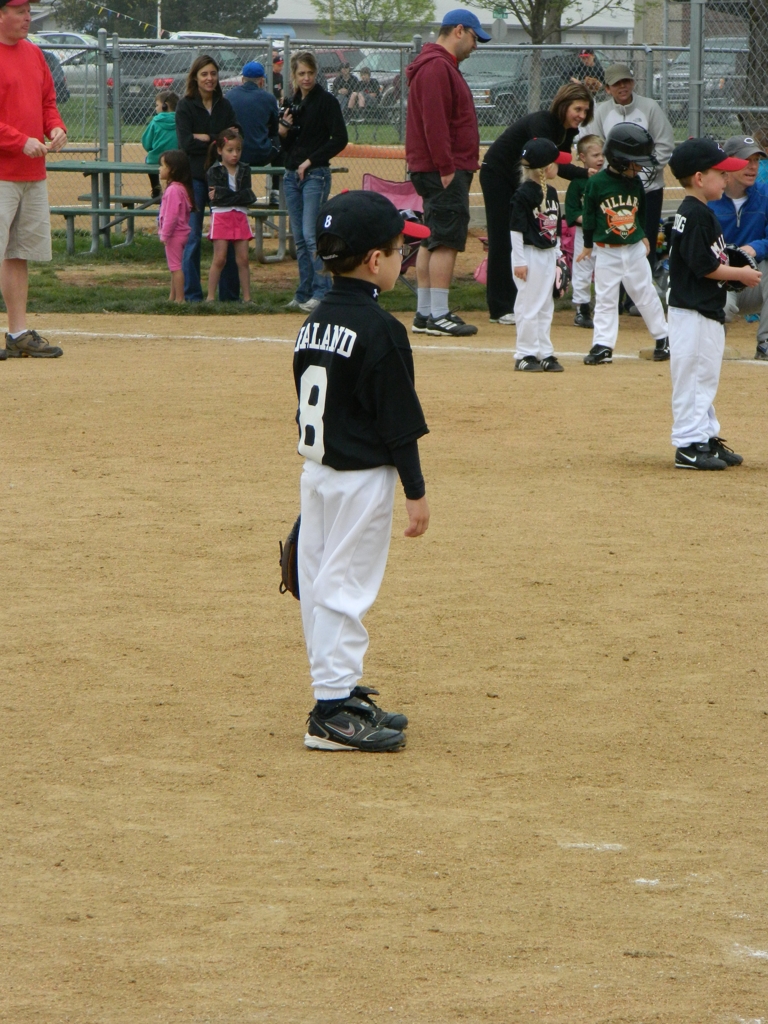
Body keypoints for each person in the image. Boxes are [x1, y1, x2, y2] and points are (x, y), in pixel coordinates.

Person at [293, 189, 431, 751]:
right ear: (375, 260)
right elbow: (399, 423)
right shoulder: (381, 328)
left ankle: (340, 690)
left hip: (319, 473)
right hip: (361, 481)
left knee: (319, 583)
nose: (404, 260)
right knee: (345, 589)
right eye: (400, 251)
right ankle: (331, 713)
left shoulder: (314, 320)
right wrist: (415, 491)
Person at [667, 138, 759, 469]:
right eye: (720, 173)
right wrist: (740, 274)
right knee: (693, 379)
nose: (726, 178)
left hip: (703, 309)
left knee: (703, 378)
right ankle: (687, 445)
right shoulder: (695, 215)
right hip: (692, 312)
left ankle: (704, 437)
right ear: (699, 178)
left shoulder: (698, 212)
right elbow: (704, 266)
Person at [406, 9, 490, 338]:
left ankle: (426, 312)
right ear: (459, 31)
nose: (475, 46)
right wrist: (446, 166)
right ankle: (439, 314)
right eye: (474, 38)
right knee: (445, 240)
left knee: (433, 237)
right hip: (443, 168)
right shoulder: (437, 67)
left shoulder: (438, 65)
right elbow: (435, 121)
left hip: (437, 167)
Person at [479, 82, 592, 326]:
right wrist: (585, 173)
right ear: (564, 105)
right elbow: (547, 161)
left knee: (526, 236)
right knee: (503, 237)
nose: (582, 115)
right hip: (498, 174)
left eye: (585, 111)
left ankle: (523, 300)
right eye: (578, 109)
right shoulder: (543, 122)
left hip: (523, 181)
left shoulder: (567, 131)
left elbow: (556, 167)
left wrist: (585, 173)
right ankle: (500, 307)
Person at [0, 0, 66, 359]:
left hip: (32, 173)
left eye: (28, 10)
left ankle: (18, 333)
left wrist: (55, 127)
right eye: (19, 10)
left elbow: (47, 103)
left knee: (18, 254)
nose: (28, 17)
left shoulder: (34, 54)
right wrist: (19, 141)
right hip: (2, 173)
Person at [577, 123, 669, 364]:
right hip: (607, 252)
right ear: (618, 160)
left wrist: (644, 234)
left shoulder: (635, 182)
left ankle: (663, 338)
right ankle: (603, 345)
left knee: (645, 294)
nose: (640, 168)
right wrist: (587, 244)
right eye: (635, 163)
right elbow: (588, 216)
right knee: (605, 299)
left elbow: (642, 210)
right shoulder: (597, 183)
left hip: (634, 249)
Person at [583, 62, 673, 280]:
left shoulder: (650, 107)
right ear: (607, 89)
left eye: (626, 81)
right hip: (613, 190)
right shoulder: (601, 112)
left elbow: (665, 144)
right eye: (616, 84)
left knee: (645, 238)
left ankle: (642, 287)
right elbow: (595, 146)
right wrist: (612, 175)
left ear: (633, 83)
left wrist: (642, 172)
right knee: (617, 237)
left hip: (648, 188)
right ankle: (619, 289)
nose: (622, 86)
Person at [278, 50, 348, 313]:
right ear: (294, 76)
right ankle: (304, 292)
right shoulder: (292, 102)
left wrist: (311, 160)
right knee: (298, 238)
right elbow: (286, 146)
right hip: (291, 174)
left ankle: (323, 291)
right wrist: (282, 131)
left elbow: (339, 138)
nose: (306, 78)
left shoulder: (326, 102)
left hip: (315, 174)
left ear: (316, 73)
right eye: (301, 74)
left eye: (310, 73)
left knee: (311, 235)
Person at [175, 53, 239, 303]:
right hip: (194, 178)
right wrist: (218, 141)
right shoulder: (185, 105)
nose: (209, 78)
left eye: (213, 73)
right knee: (192, 237)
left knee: (226, 237)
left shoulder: (225, 105)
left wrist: (206, 137)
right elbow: (186, 143)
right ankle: (192, 295)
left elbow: (233, 139)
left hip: (221, 179)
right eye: (204, 74)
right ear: (195, 77)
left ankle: (229, 296)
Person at [510, 138, 569, 373]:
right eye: (556, 163)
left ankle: (545, 353)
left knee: (545, 306)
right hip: (529, 255)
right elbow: (516, 230)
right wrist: (519, 261)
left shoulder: (551, 193)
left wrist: (559, 256)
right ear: (546, 168)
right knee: (528, 305)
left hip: (547, 255)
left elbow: (555, 229)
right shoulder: (523, 195)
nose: (558, 166)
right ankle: (525, 353)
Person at [708, 135, 768, 361]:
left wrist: (754, 247)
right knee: (719, 307)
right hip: (720, 281)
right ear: (728, 163)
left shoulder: (765, 195)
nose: (753, 167)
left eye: (756, 160)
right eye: (746, 160)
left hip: (755, 282)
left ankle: (765, 342)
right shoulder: (710, 200)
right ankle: (711, 342)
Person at [205, 127, 255, 303]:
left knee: (243, 259)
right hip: (221, 216)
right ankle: (210, 297)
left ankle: (247, 298)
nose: (235, 154)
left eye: (238, 150)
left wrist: (224, 194)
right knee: (219, 259)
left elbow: (248, 195)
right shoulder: (214, 171)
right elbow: (216, 198)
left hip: (240, 215)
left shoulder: (245, 169)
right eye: (230, 150)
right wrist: (234, 196)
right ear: (220, 150)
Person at [565, 134, 604, 328]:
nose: (600, 159)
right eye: (595, 155)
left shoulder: (607, 180)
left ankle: (603, 309)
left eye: (602, 155)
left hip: (605, 235)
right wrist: (589, 220)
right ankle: (582, 309)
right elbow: (572, 212)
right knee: (582, 270)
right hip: (584, 234)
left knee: (605, 270)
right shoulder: (578, 183)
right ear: (582, 157)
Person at [157, 149, 193, 303]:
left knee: (175, 268)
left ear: (173, 170)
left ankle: (180, 299)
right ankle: (172, 297)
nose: (160, 169)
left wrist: (165, 234)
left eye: (163, 166)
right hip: (182, 233)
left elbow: (171, 216)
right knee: (175, 266)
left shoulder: (173, 190)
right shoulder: (181, 188)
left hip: (174, 234)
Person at [226, 61, 280, 167]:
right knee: (278, 141)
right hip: (261, 154)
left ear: (243, 79)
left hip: (235, 153)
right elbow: (274, 129)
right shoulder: (269, 98)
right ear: (261, 81)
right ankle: (277, 177)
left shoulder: (229, 96)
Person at [141, 90, 179, 199]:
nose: (155, 108)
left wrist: (152, 149)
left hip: (156, 159)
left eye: (157, 105)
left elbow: (146, 142)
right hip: (177, 158)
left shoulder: (156, 121)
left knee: (148, 158)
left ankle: (156, 187)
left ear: (165, 106)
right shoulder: (181, 120)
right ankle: (176, 187)